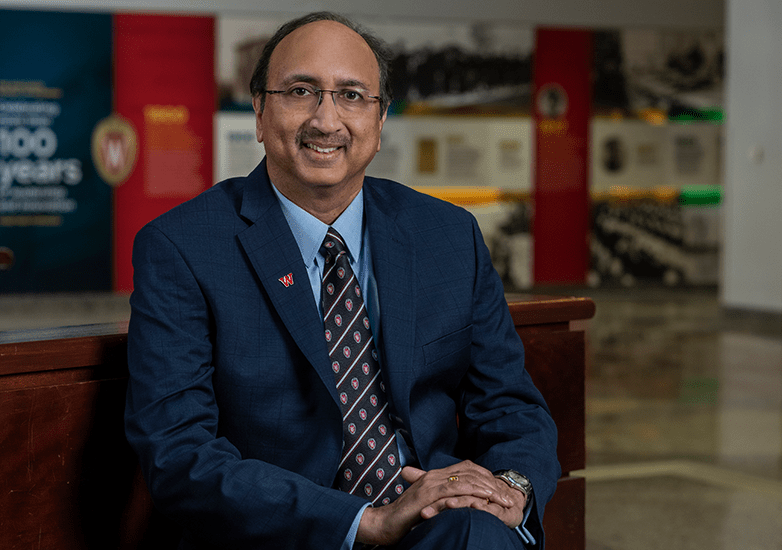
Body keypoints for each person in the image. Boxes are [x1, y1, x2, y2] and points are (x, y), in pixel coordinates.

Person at [124, 11, 559, 550]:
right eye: (301, 91)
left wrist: (508, 489)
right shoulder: (183, 247)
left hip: (440, 524)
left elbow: (510, 407)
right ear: (259, 111)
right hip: (289, 533)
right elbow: (178, 452)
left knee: (476, 529)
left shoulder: (449, 236)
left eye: (352, 95)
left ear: (379, 123)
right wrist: (365, 522)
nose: (326, 120)